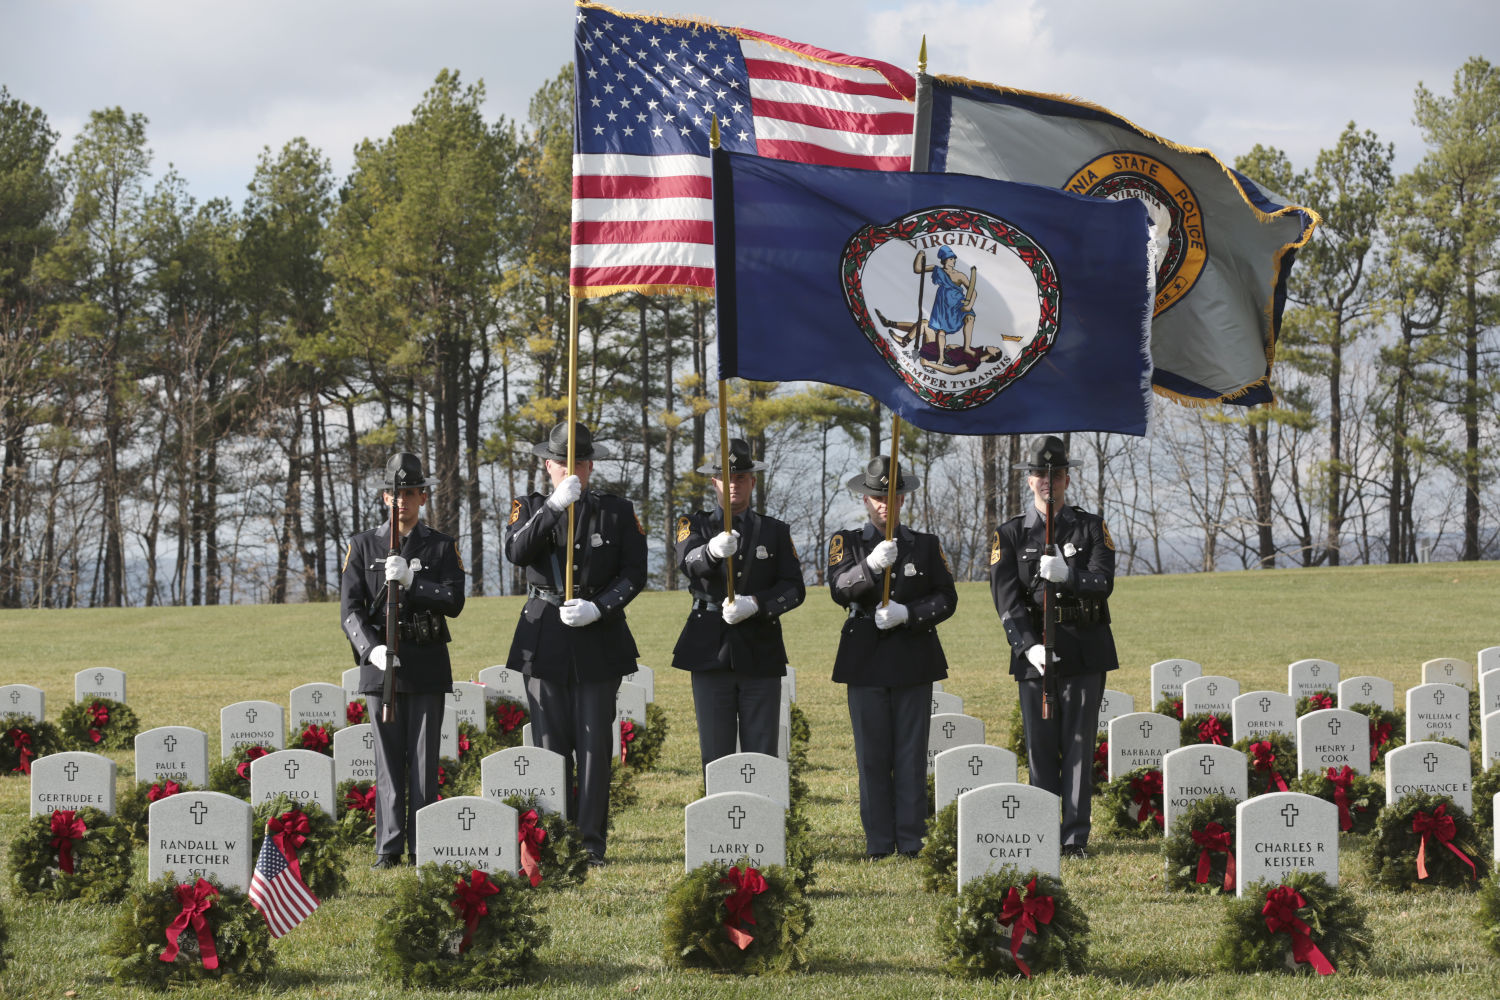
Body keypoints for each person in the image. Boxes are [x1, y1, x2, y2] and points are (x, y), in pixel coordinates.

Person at [503, 422, 646, 866]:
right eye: (564, 462)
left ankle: (590, 843)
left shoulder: (616, 511)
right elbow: (516, 552)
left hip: (597, 634)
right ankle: (553, 838)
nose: (573, 470)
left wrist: (600, 607)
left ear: (591, 465)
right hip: (544, 632)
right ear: (548, 464)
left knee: (594, 745)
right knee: (550, 743)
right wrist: (551, 509)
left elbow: (634, 573)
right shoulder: (527, 506)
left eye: (581, 462)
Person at [989, 435, 1118, 859]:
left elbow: (1103, 583)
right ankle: (1043, 828)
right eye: (1040, 475)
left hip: (1083, 648)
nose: (1049, 481)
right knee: (1040, 746)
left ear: (1066, 479)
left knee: (1079, 743)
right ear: (1029, 481)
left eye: (1056, 474)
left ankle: (1075, 837)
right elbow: (1005, 598)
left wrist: (1069, 575)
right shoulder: (1009, 533)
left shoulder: (1091, 527)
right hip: (1035, 656)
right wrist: (1028, 647)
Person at [340, 452, 466, 869]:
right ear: (383, 496)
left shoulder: (442, 546)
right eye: (395, 493)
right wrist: (371, 648)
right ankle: (389, 848)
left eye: (410, 493)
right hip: (381, 667)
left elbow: (454, 600)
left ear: (423, 496)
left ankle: (424, 845)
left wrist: (415, 582)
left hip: (426, 663)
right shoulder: (362, 545)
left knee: (424, 763)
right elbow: (350, 610)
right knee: (388, 763)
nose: (402, 501)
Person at [828, 457, 957, 858]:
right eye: (877, 496)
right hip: (864, 657)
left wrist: (910, 614)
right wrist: (869, 565)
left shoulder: (926, 544)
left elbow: (946, 598)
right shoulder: (846, 542)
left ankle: (913, 839)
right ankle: (879, 842)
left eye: (892, 496)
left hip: (912, 655)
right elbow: (838, 588)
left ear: (903, 499)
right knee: (872, 755)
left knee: (911, 753)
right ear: (865, 500)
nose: (885, 503)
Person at [672, 438, 805, 771]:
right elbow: (688, 564)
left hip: (760, 648)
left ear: (753, 482)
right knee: (715, 755)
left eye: (741, 477)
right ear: (713, 481)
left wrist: (758, 604)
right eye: (726, 477)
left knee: (761, 756)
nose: (734, 484)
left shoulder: (775, 531)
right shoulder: (694, 525)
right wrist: (712, 552)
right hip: (708, 649)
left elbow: (794, 588)